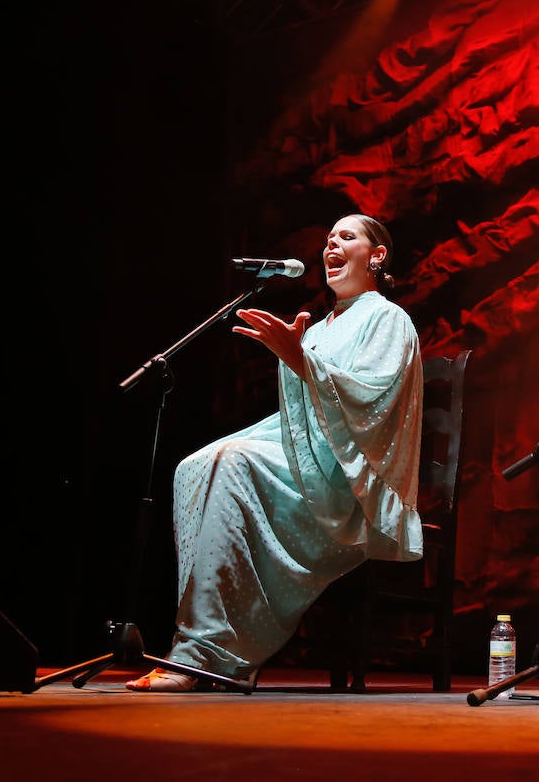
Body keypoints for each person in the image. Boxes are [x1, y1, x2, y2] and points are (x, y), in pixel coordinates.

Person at [127, 213, 424, 692]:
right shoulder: (324, 326)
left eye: (347, 237)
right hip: (304, 456)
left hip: (343, 477)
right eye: (328, 239)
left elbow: (370, 398)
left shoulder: (388, 318)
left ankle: (203, 653)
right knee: (195, 466)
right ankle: (213, 642)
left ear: (377, 255)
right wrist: (300, 357)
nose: (332, 246)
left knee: (234, 463)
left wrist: (301, 360)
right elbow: (303, 411)